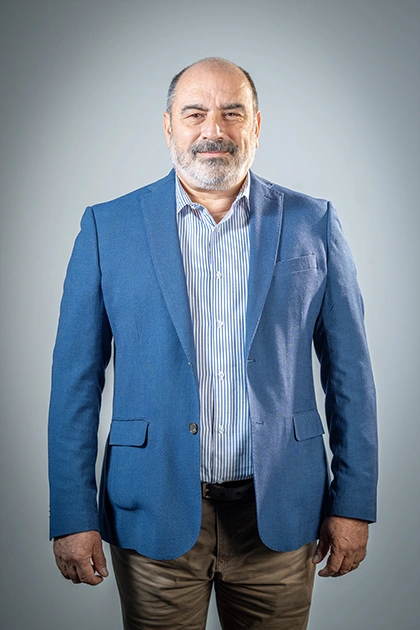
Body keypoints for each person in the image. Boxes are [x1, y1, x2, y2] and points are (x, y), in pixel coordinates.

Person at [48, 57, 378, 629]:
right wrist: (72, 514)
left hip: (281, 509)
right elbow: (74, 383)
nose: (213, 130)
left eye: (232, 113)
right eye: (195, 113)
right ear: (168, 126)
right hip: (151, 508)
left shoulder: (314, 222)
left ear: (256, 125)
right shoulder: (108, 228)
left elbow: (351, 376)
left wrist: (353, 501)